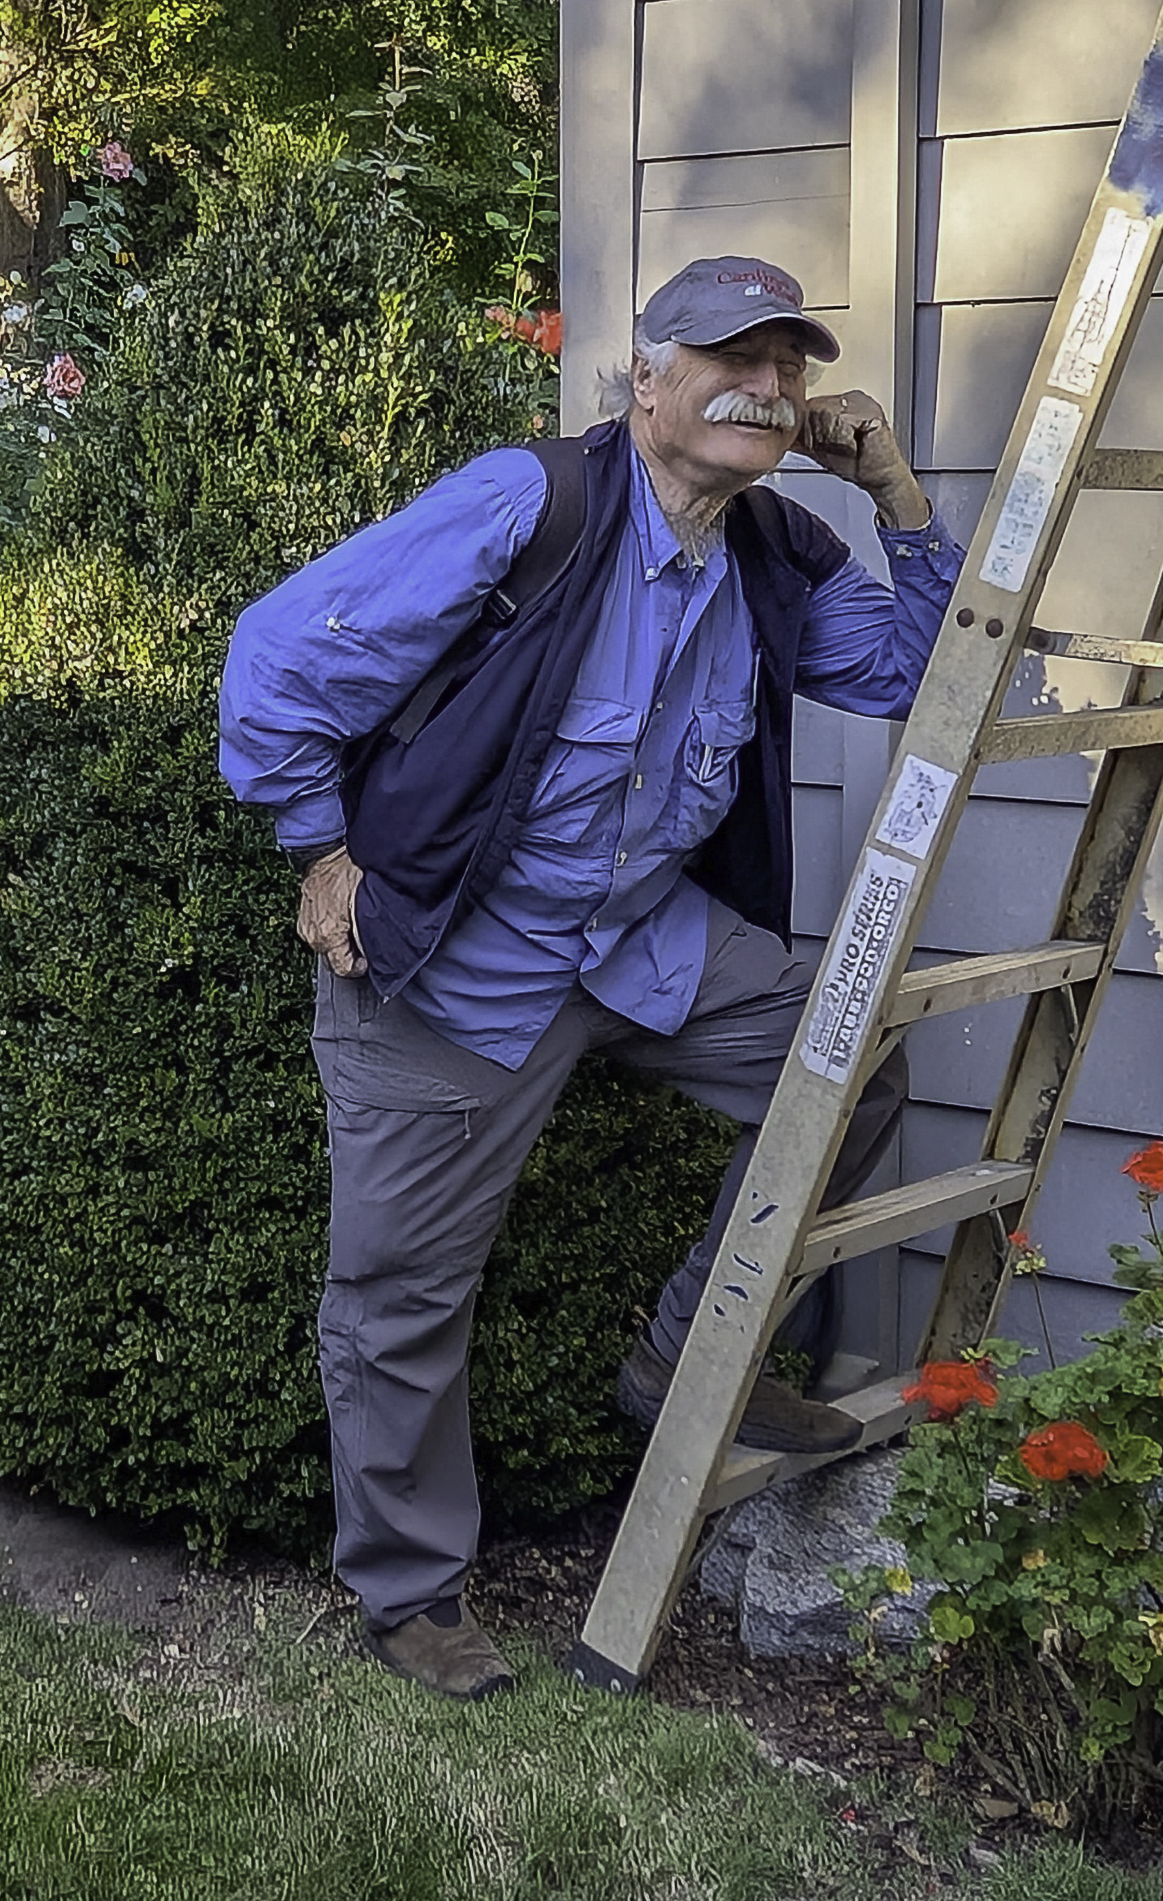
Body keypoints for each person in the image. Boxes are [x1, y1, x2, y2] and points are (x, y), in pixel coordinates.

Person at [218, 255, 963, 1701]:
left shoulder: (771, 552)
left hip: (637, 942)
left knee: (849, 1054)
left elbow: (920, 681)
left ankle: (693, 1358)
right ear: (648, 378)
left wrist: (896, 494)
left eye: (789, 366)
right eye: (733, 357)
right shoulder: (531, 505)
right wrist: (319, 848)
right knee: (399, 1296)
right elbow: (279, 658)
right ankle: (410, 1593)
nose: (769, 387)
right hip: (454, 962)